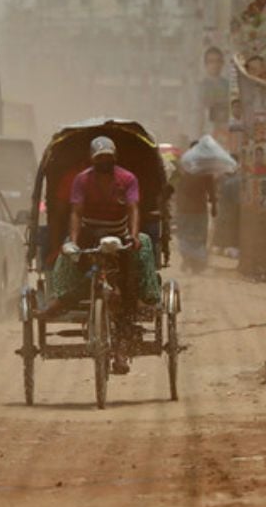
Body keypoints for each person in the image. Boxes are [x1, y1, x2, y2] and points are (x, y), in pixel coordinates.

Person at [40, 136, 160, 375]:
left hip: (119, 234)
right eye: (99, 159)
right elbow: (76, 212)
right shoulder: (82, 180)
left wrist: (134, 237)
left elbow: (133, 208)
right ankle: (63, 297)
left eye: (107, 158)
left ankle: (123, 346)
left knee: (132, 275)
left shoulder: (127, 179)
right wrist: (73, 241)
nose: (104, 163)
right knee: (68, 253)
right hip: (89, 234)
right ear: (93, 160)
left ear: (113, 159)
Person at [174, 141, 218, 273]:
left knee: (186, 235)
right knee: (196, 236)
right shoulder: (204, 169)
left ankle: (189, 260)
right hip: (195, 209)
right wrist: (214, 205)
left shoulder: (182, 167)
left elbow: (173, 186)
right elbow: (211, 191)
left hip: (187, 208)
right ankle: (193, 262)